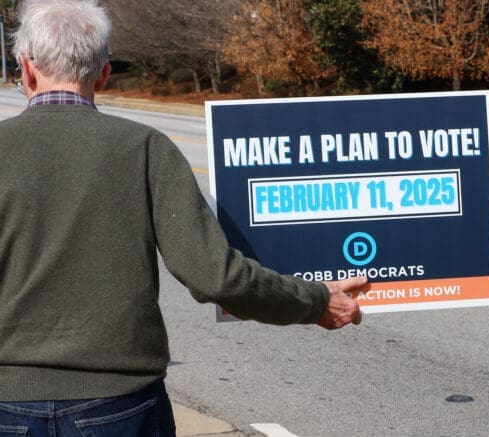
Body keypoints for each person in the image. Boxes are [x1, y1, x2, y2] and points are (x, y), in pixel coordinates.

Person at [0, 0, 365, 435]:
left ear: (25, 69)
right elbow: (217, 277)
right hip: (121, 408)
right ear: (103, 72)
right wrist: (316, 302)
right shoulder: (146, 149)